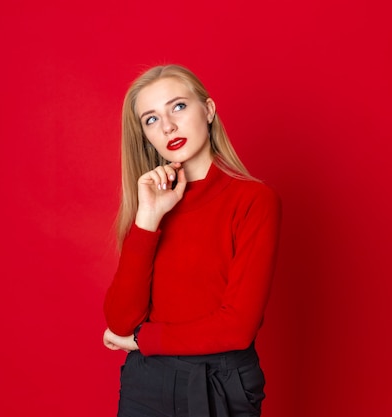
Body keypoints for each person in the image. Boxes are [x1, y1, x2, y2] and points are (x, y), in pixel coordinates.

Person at [102, 64, 282, 417]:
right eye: (151, 119)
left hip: (219, 382)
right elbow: (120, 320)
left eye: (178, 107)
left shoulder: (253, 201)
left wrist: (142, 341)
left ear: (209, 110)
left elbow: (237, 327)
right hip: (146, 383)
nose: (167, 125)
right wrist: (147, 219)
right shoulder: (150, 205)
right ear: (145, 135)